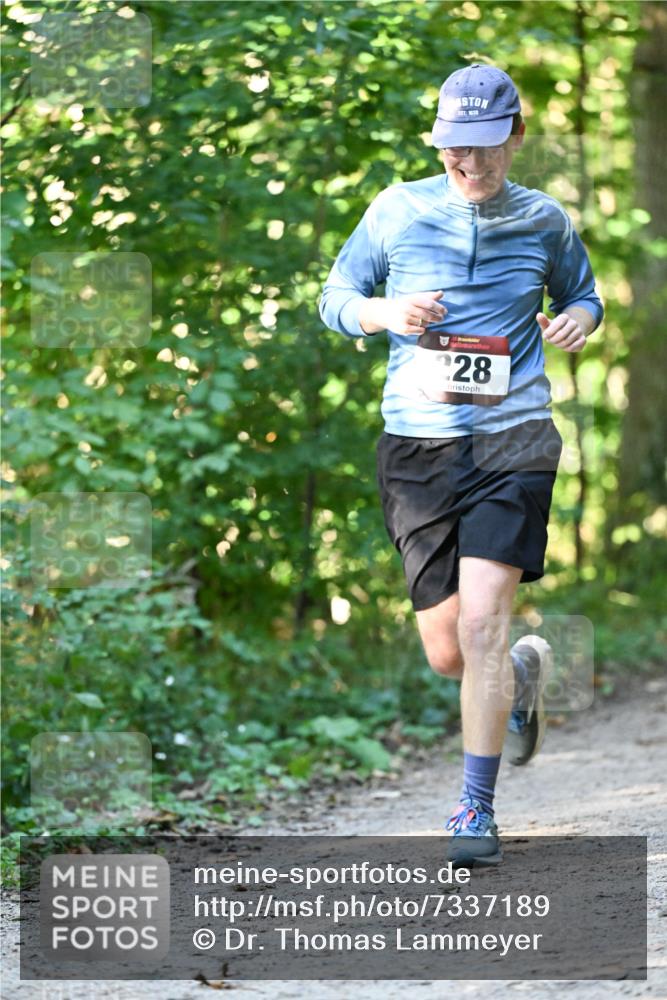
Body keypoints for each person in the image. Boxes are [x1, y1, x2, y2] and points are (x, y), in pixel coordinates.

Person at [318, 63, 603, 866]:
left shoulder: (543, 220)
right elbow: (335, 295)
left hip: (513, 438)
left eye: (483, 149)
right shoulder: (397, 210)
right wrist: (380, 312)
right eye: (453, 152)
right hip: (416, 447)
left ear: (515, 136)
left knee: (481, 622)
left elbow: (585, 294)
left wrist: (578, 319)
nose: (469, 166)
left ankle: (473, 812)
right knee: (450, 651)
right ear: (435, 143)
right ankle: (517, 675)